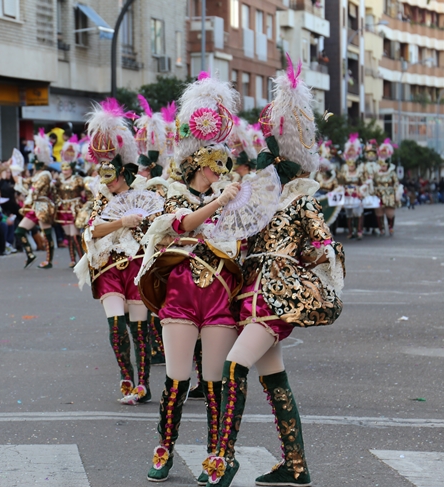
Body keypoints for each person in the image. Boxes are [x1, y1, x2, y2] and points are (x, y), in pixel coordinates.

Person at [202, 58, 345, 487]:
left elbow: (325, 246)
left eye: (269, 166)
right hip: (250, 294)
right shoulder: (254, 205)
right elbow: (235, 240)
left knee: (233, 367)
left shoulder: (302, 202)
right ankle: (296, 466)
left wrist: (315, 255)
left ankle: (223, 459)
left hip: (276, 296)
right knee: (274, 376)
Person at [136, 72, 243, 482]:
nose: (222, 168)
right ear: (198, 162)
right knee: (178, 379)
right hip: (180, 297)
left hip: (218, 298)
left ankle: (217, 456)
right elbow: (180, 226)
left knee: (214, 384)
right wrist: (219, 202)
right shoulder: (168, 191)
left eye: (224, 161)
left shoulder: (232, 200)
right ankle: (164, 449)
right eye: (215, 162)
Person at [73, 98, 157, 406]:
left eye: (114, 171)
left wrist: (140, 222)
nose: (109, 176)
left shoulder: (145, 192)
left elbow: (156, 229)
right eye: (105, 171)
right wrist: (120, 220)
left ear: (125, 168)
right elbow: (92, 230)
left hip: (136, 265)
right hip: (109, 265)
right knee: (115, 324)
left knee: (140, 327)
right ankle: (126, 375)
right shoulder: (101, 195)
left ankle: (144, 383)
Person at [15, 130, 57, 268]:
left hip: (43, 205)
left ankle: (49, 260)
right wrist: (15, 175)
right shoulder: (38, 174)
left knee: (46, 233)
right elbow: (27, 184)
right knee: (20, 231)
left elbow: (35, 189)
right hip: (34, 206)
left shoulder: (45, 175)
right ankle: (30, 254)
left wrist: (26, 187)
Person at [53, 135, 85, 267]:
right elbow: (55, 194)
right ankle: (73, 259)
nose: (65, 170)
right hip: (63, 208)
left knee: (74, 235)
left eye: (67, 168)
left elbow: (84, 193)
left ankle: (83, 260)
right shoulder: (59, 180)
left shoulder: (77, 179)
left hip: (74, 208)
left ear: (72, 168)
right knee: (68, 236)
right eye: (63, 168)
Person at [339, 134, 367, 240]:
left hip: (357, 193)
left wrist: (361, 192)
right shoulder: (343, 169)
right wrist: (342, 191)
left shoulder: (361, 169)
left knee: (358, 212)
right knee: (349, 214)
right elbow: (340, 182)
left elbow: (365, 182)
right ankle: (351, 231)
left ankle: (359, 230)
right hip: (347, 194)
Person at [373, 138, 400, 236]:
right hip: (378, 194)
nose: (382, 166)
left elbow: (396, 183)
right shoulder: (376, 173)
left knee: (390, 213)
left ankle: (390, 227)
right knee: (379, 213)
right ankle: (381, 229)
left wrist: (397, 194)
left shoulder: (392, 173)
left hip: (389, 194)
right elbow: (372, 182)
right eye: (381, 165)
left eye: (384, 165)